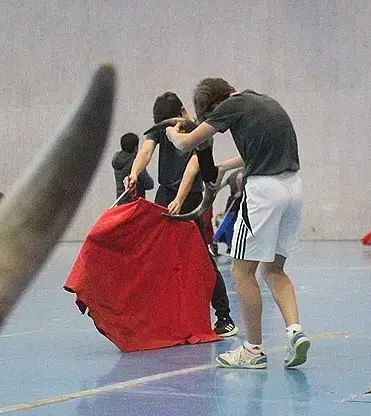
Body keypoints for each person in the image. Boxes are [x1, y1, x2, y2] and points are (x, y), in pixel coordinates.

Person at [164, 77, 309, 369]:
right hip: (293, 188)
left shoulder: (232, 105)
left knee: (242, 271)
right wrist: (221, 168)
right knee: (274, 270)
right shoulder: (264, 102)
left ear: (216, 103)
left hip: (264, 192)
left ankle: (252, 350)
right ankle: (295, 332)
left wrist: (172, 133)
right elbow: (251, 153)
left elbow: (185, 143)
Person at [125, 92, 237, 339]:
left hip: (190, 198)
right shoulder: (162, 130)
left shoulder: (199, 131)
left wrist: (179, 199)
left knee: (200, 256)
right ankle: (162, 318)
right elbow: (145, 150)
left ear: (183, 112)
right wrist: (133, 174)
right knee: (157, 255)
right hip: (165, 195)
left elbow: (193, 166)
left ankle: (224, 316)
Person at [111, 133, 153, 204]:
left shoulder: (117, 160)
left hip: (121, 202)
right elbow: (149, 184)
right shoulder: (135, 164)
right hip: (134, 204)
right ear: (136, 147)